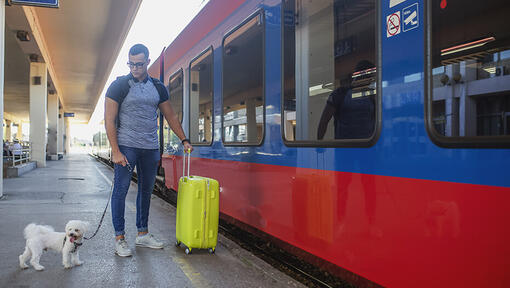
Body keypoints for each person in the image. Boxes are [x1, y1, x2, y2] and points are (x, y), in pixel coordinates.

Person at [105, 44, 193, 257]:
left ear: (147, 62)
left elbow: (170, 116)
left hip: (150, 148)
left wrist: (184, 139)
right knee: (121, 190)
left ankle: (142, 234)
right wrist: (116, 151)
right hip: (127, 147)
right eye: (131, 64)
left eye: (139, 64)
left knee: (146, 191)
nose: (135, 68)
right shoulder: (119, 86)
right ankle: (120, 238)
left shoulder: (158, 87)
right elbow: (109, 119)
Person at [317, 60, 376, 140]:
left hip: (367, 146)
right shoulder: (340, 93)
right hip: (345, 146)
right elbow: (324, 120)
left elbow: (377, 120)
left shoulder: (372, 95)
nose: (370, 80)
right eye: (369, 77)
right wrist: (320, 142)